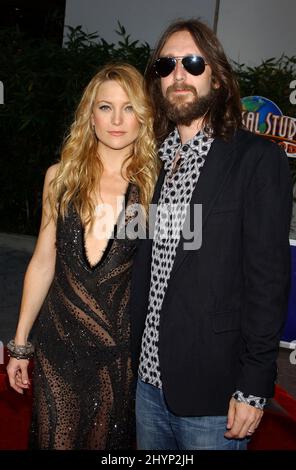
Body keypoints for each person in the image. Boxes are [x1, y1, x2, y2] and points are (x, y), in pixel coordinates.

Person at [130, 19, 293, 450]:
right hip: (146, 383)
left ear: (217, 77)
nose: (178, 74)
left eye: (193, 62)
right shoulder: (152, 161)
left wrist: (254, 385)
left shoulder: (257, 160)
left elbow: (268, 281)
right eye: (167, 64)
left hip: (215, 393)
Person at [6, 63, 158, 450]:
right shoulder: (60, 177)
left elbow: (162, 276)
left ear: (144, 117)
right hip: (59, 344)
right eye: (106, 107)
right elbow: (43, 261)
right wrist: (21, 343)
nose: (118, 120)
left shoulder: (154, 185)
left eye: (129, 108)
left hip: (119, 354)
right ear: (90, 115)